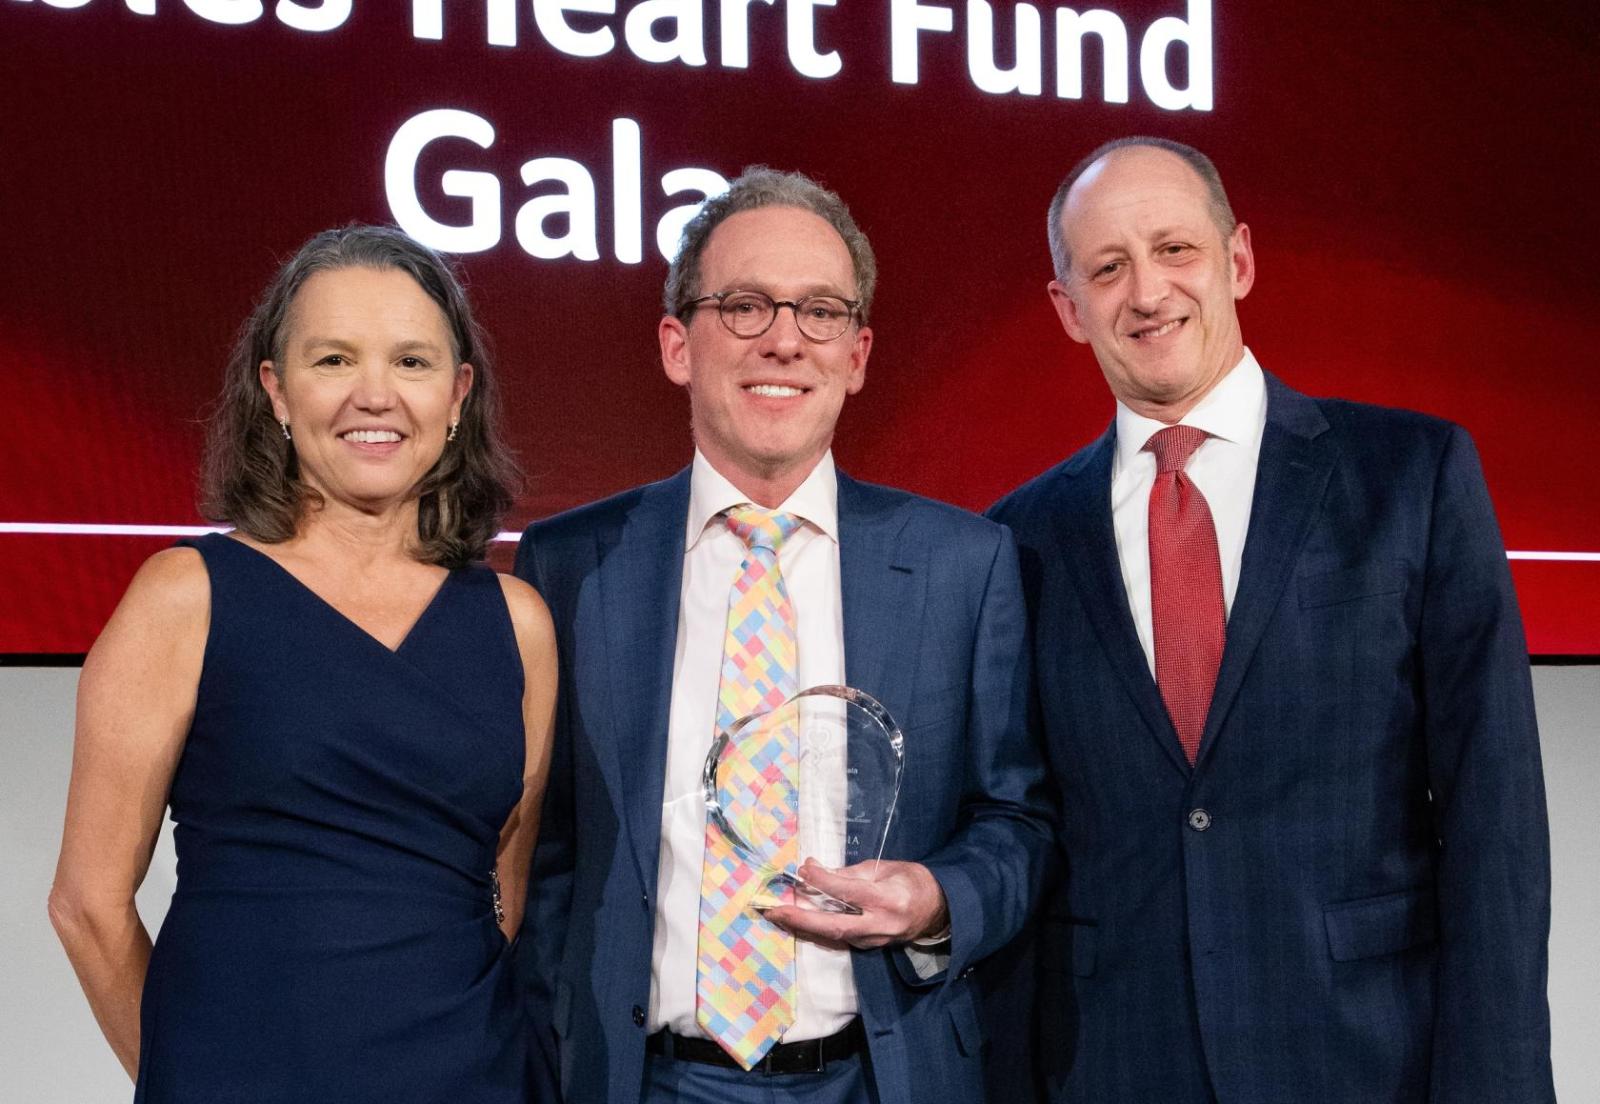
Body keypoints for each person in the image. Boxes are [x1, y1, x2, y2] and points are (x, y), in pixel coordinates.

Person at [987, 137, 1554, 1103]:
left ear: (1238, 260)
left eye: (1176, 250)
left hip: (1370, 1059)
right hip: (1115, 1066)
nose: (1148, 291)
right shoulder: (1015, 540)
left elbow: (1493, 819)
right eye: (1108, 267)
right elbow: (1022, 826)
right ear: (1068, 309)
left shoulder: (1412, 475)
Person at [513, 167, 1052, 1104]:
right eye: (746, 305)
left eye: (821, 313)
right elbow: (544, 848)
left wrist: (935, 901)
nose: (785, 340)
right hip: (639, 1079)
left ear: (859, 353)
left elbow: (1018, 821)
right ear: (678, 344)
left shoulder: (966, 563)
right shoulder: (573, 565)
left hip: (881, 1076)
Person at [48, 225, 556, 1103]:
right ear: (276, 393)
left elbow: (511, 896)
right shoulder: (186, 597)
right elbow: (88, 906)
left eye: (410, 362)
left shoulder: (517, 622)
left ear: (457, 395)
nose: (374, 396)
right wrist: (190, 1078)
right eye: (332, 361)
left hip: (478, 1077)